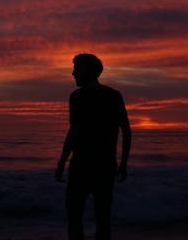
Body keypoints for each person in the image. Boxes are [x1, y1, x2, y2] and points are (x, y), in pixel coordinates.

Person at [55, 53, 132, 240]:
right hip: (105, 165)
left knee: (75, 217)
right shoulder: (114, 95)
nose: (73, 73)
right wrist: (123, 164)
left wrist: (62, 162)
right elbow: (126, 131)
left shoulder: (78, 97)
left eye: (77, 68)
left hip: (83, 165)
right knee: (102, 218)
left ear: (88, 70)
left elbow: (74, 132)